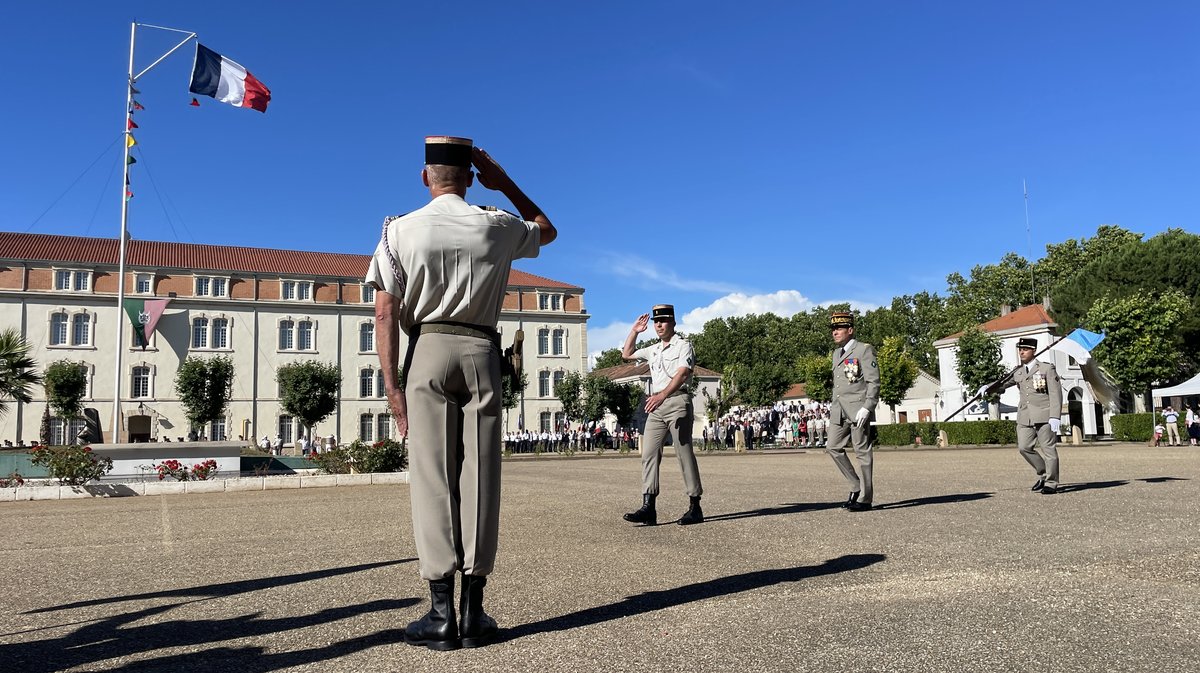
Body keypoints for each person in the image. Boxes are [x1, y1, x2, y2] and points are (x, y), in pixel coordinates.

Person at [367, 135, 555, 651]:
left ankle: (439, 610)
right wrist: (507, 182)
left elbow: (384, 312)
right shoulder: (495, 224)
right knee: (480, 475)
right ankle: (474, 609)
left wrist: (392, 387)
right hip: (480, 349)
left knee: (432, 476)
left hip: (426, 347)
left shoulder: (397, 230)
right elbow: (548, 229)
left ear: (425, 177)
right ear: (471, 178)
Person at [620, 304, 705, 526]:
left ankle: (695, 506)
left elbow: (683, 372)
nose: (659, 325)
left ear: (673, 323)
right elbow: (626, 354)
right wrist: (635, 331)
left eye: (664, 321)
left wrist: (664, 395)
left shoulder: (683, 345)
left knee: (683, 452)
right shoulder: (653, 349)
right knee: (648, 453)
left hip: (677, 400)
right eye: (656, 321)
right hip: (656, 405)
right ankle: (649, 507)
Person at [984, 336, 1063, 494]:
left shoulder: (1046, 369)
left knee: (1048, 449)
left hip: (1044, 415)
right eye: (1020, 349)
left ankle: (1051, 482)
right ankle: (1043, 473)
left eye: (1025, 349)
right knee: (1024, 447)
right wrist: (988, 387)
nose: (1022, 352)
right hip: (1025, 416)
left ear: (1033, 350)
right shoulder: (1018, 371)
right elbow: (1003, 384)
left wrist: (1055, 415)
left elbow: (1056, 394)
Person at [826, 311, 881, 512]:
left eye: (839, 328)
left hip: (858, 409)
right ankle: (855, 485)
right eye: (833, 329)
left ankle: (866, 498)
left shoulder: (864, 350)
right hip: (839, 411)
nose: (835, 332)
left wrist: (868, 407)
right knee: (832, 447)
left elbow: (873, 382)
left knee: (862, 452)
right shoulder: (836, 354)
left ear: (850, 330)